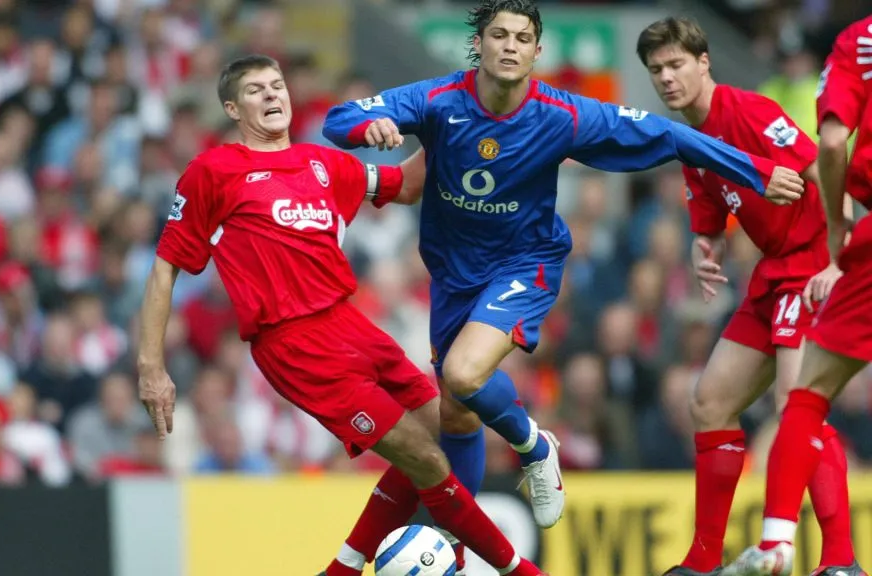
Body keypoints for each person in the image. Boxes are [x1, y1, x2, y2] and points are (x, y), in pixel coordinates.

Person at [321, 1, 804, 573]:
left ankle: (532, 444)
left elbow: (671, 136)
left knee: (464, 374)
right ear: (478, 45)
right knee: (456, 415)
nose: (509, 45)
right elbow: (339, 118)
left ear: (536, 52)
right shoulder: (435, 100)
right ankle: (449, 549)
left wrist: (754, 169)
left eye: (521, 37)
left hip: (525, 263)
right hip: (453, 275)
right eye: (498, 34)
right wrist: (367, 127)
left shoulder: (562, 114)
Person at [136, 54, 549, 576]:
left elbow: (407, 185)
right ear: (232, 108)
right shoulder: (213, 171)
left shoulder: (324, 164)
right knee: (427, 460)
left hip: (352, 326)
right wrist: (151, 366)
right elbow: (164, 269)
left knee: (447, 428)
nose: (271, 96)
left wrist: (454, 121)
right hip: (294, 344)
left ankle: (344, 568)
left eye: (277, 85)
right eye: (256, 90)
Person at [635, 17, 859, 576]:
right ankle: (704, 557)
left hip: (810, 265)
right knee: (708, 403)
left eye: (676, 65)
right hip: (771, 274)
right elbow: (711, 216)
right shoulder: (690, 140)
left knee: (796, 407)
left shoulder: (753, 112)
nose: (666, 78)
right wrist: (703, 247)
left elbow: (825, 173)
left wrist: (839, 260)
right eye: (657, 69)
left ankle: (841, 561)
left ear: (704, 62)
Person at [723, 15, 872, 576]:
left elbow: (830, 141)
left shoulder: (858, 40)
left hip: (854, 239)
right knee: (718, 400)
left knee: (805, 397)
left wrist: (839, 226)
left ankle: (779, 542)